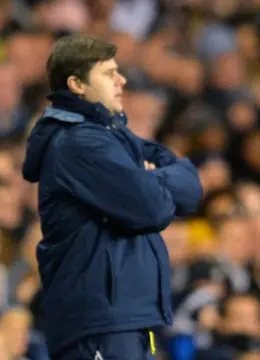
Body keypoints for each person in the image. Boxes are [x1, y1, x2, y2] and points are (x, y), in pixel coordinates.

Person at [21, 35, 203, 359]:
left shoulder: (113, 136)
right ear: (77, 84)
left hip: (125, 314)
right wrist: (146, 180)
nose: (122, 80)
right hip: (100, 319)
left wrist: (146, 178)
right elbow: (153, 208)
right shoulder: (79, 143)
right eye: (108, 74)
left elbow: (190, 187)